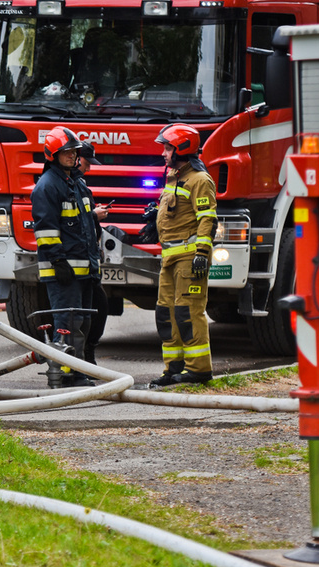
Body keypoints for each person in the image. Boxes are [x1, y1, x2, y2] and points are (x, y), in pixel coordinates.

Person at [146, 124, 217, 388]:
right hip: (170, 258)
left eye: (167, 148)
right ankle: (173, 369)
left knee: (188, 312)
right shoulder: (175, 177)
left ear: (182, 149)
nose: (164, 153)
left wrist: (202, 253)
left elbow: (207, 218)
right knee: (166, 313)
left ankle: (198, 369)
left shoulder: (200, 180)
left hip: (189, 258)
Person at [31, 127, 100, 387]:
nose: (72, 156)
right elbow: (46, 230)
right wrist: (58, 262)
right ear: (53, 155)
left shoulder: (74, 183)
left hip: (83, 271)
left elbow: (84, 228)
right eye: (66, 152)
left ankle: (77, 371)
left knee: (81, 323)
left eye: (74, 151)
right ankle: (65, 375)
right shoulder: (47, 186)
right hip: (63, 270)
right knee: (67, 324)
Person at [75, 142, 109, 365]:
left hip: (88, 259)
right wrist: (94, 216)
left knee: (98, 307)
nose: (89, 168)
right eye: (87, 163)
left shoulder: (79, 184)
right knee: (81, 314)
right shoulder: (66, 185)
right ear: (77, 159)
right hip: (75, 261)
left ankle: (87, 357)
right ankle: (80, 363)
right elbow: (71, 221)